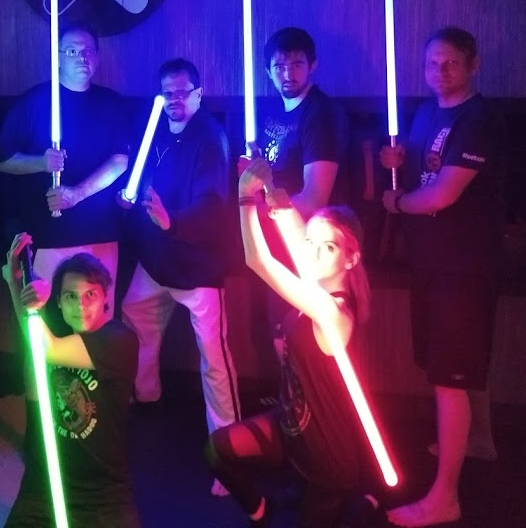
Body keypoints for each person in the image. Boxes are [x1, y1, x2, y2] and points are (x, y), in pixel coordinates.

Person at [380, 27, 505, 527]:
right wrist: (395, 162)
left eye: (451, 62)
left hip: (463, 264)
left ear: (474, 64)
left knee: (448, 378)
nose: (440, 72)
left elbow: (442, 194)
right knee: (457, 364)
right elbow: (423, 172)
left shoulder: (480, 119)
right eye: (432, 63)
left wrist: (396, 203)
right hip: (431, 259)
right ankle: (479, 441)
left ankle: (444, 499)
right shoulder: (426, 112)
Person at [207, 156, 374, 527]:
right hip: (289, 426)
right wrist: (270, 190)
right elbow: (298, 232)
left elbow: (259, 261)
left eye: (329, 248)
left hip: (327, 460)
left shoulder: (333, 311)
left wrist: (245, 198)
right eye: (311, 242)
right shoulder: (314, 284)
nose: (313, 251)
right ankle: (260, 510)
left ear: (351, 260)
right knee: (217, 450)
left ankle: (362, 503)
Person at [119, 58, 240, 496]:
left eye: (182, 92)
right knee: (135, 320)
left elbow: (212, 203)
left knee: (214, 358)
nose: (174, 100)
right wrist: (129, 197)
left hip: (198, 267)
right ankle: (146, 401)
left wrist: (174, 223)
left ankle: (229, 453)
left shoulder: (210, 137)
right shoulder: (154, 128)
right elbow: (140, 179)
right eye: (167, 92)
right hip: (156, 260)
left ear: (198, 93)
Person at [1, 236, 140, 528]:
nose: (81, 306)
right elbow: (36, 364)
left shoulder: (120, 341)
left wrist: (27, 300)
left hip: (104, 493)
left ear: (105, 298)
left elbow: (47, 348)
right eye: (70, 297)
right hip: (45, 488)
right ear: (60, 303)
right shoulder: (50, 336)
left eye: (91, 294)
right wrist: (16, 283)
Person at [0, 23, 129, 310]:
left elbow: (120, 161)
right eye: (72, 51)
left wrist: (77, 194)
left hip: (100, 234)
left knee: (98, 321)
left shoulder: (112, 103)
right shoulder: (33, 102)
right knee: (44, 320)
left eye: (88, 51)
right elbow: (3, 161)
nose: (82, 57)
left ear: (97, 57)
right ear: (57, 57)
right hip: (45, 235)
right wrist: (41, 163)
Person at [253, 27, 348, 355]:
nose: (287, 74)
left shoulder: (321, 115)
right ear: (268, 71)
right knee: (278, 336)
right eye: (279, 66)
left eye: (296, 64)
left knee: (300, 342)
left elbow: (314, 197)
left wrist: (258, 213)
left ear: (313, 65)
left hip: (310, 248)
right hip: (279, 241)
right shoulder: (273, 110)